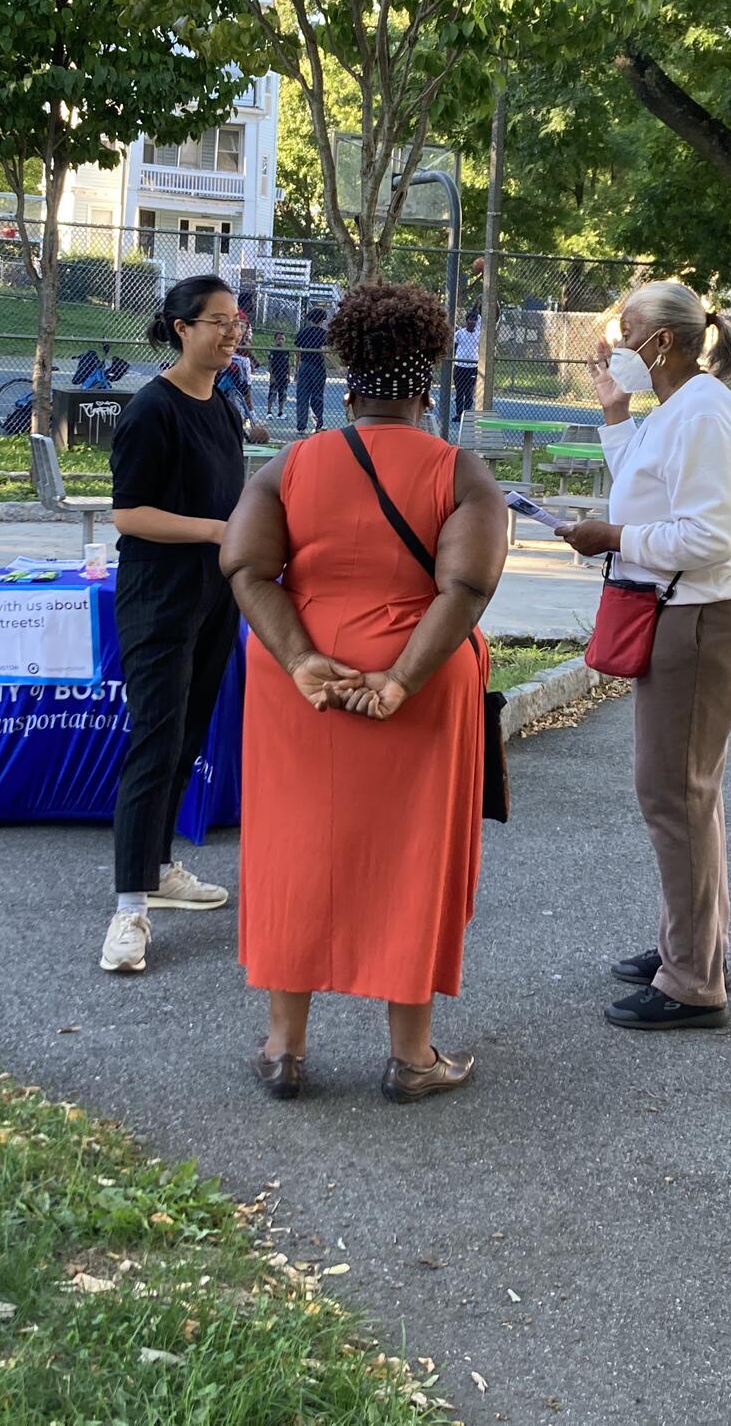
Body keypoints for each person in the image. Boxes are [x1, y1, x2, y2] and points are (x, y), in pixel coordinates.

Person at [222, 283, 509, 1102]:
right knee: (412, 855)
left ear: (350, 383)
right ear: (428, 389)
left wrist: (301, 659)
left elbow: (246, 567)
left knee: (292, 849)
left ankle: (283, 1048)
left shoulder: (293, 463)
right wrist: (398, 680)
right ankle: (412, 1058)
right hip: (419, 683)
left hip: (298, 683)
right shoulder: (462, 472)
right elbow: (466, 587)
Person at [555, 281, 731, 1031]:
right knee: (687, 792)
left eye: (627, 333)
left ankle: (693, 980)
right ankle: (694, 946)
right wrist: (615, 415)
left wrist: (612, 539)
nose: (617, 347)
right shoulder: (680, 407)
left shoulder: (705, 411)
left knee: (673, 792)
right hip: (691, 610)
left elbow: (709, 536)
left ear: (666, 342)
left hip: (706, 614)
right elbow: (644, 492)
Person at [98, 275, 247, 975]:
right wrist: (218, 530)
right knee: (154, 742)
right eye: (217, 320)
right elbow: (129, 514)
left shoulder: (222, 405)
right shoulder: (151, 410)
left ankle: (157, 867)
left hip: (213, 597)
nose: (231, 331)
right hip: (158, 598)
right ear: (182, 327)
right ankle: (129, 908)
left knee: (188, 735)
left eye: (236, 320)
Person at [293, 306, 330, 433]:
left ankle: (301, 425)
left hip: (304, 364)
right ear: (322, 320)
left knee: (302, 395)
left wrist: (296, 368)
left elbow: (298, 351)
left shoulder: (303, 332)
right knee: (317, 395)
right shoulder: (323, 333)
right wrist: (336, 366)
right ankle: (318, 424)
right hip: (317, 366)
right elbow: (324, 351)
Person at [451, 310, 481, 422]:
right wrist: (456, 359)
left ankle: (467, 415)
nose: (472, 322)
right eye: (470, 319)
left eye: (474, 320)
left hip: (472, 367)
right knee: (459, 392)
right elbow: (454, 347)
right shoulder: (460, 333)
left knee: (469, 393)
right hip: (460, 366)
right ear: (466, 321)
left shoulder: (478, 334)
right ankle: (458, 414)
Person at [264, 322, 289, 420]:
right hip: (275, 375)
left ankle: (280, 412)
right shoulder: (273, 351)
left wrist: (288, 375)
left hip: (283, 376)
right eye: (279, 338)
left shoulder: (285, 351)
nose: (280, 341)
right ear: (275, 340)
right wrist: (272, 376)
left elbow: (287, 364)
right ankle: (269, 412)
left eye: (282, 339)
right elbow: (270, 364)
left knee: (282, 394)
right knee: (272, 393)